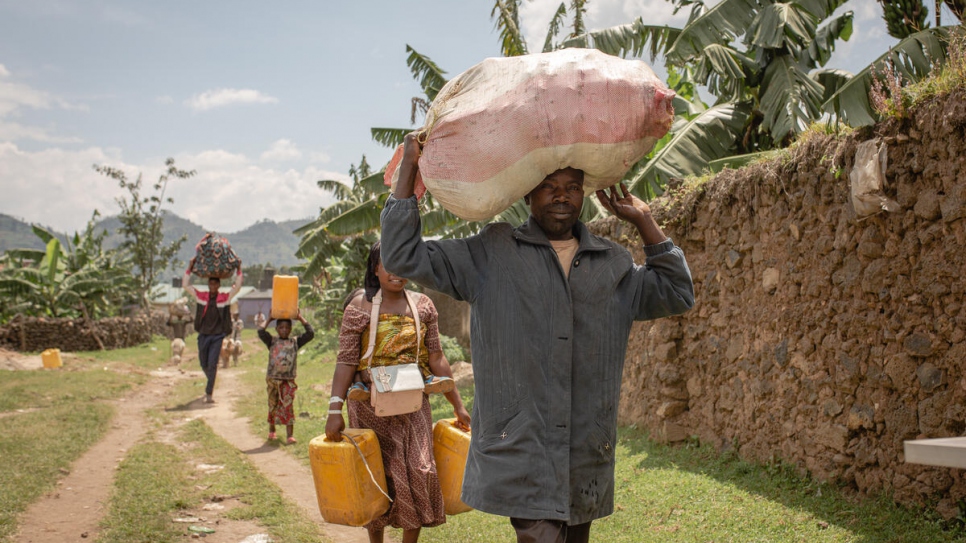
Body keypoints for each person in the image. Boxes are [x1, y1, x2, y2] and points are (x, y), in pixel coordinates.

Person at [379, 133, 695, 543]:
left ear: (584, 195)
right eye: (549, 186)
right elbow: (402, 255)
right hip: (522, 450)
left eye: (572, 187)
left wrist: (644, 221)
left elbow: (677, 293)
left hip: (585, 452)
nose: (561, 196)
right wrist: (409, 170)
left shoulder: (612, 264)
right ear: (528, 194)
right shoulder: (491, 253)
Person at [325, 241, 471, 543]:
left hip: (414, 404)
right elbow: (346, 361)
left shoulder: (423, 306)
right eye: (389, 263)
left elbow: (436, 358)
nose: (397, 271)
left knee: (421, 471)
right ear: (375, 269)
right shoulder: (359, 308)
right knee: (378, 478)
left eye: (404, 262)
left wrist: (458, 405)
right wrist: (333, 410)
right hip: (369, 406)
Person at [183, 258, 243, 404]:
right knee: (203, 363)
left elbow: (238, 287)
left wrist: (239, 269)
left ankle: (209, 393)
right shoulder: (201, 297)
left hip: (217, 336)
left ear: (219, 285)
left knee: (212, 363)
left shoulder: (224, 298)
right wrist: (189, 267)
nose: (213, 285)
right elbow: (185, 285)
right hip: (203, 335)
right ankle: (210, 378)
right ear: (208, 284)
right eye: (211, 283)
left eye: (215, 283)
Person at [258, 310, 314, 444]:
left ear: (291, 329)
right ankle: (272, 431)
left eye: (287, 327)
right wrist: (270, 318)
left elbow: (310, 333)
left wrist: (300, 318)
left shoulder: (295, 342)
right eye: (281, 327)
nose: (284, 330)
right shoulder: (271, 341)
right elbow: (260, 332)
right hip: (272, 379)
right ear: (276, 329)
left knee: (288, 406)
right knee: (273, 405)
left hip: (288, 381)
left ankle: (290, 436)